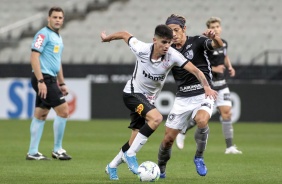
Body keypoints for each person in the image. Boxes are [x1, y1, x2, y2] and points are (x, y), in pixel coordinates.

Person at [100, 24, 217, 180]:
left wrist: (207, 87)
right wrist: (107, 38)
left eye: (169, 42)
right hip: (132, 93)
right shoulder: (141, 48)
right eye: (163, 42)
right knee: (156, 118)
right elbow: (124, 34)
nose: (167, 46)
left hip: (148, 99)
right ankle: (131, 155)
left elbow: (195, 70)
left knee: (135, 137)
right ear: (154, 40)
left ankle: (112, 166)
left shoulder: (173, 55)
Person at [157, 14, 224, 178]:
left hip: (204, 92)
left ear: (184, 29)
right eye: (169, 31)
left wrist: (215, 38)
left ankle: (199, 157)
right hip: (182, 98)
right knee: (167, 141)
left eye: (176, 30)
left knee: (201, 120)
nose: (173, 34)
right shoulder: (168, 51)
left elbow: (217, 46)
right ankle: (161, 169)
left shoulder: (198, 42)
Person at [175, 17, 242, 154]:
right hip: (208, 86)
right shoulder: (206, 43)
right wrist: (212, 70)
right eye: (213, 27)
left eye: (218, 26)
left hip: (222, 83)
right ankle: (182, 131)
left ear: (220, 28)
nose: (216, 29)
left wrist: (229, 66)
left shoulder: (224, 43)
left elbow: (225, 55)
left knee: (226, 113)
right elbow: (200, 62)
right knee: (201, 118)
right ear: (208, 28)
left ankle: (229, 147)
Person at [26, 7, 71, 161]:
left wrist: (62, 83)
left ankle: (32, 152)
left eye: (60, 17)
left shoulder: (58, 37)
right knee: (63, 111)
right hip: (43, 78)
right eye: (55, 17)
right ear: (48, 18)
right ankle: (57, 149)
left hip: (50, 79)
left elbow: (57, 62)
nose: (58, 20)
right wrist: (40, 81)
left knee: (41, 114)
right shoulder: (43, 34)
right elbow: (34, 56)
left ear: (63, 19)